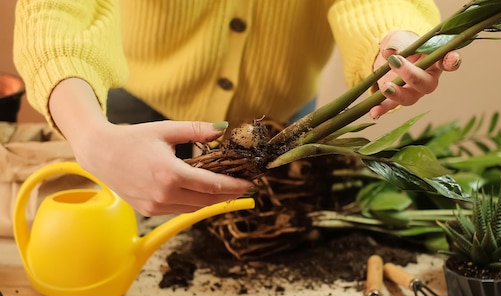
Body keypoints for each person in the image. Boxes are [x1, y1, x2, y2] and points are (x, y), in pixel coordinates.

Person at [13, 0, 460, 216]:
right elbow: (56, 9)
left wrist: (391, 43)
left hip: (283, 129)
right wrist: (90, 134)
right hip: (131, 122)